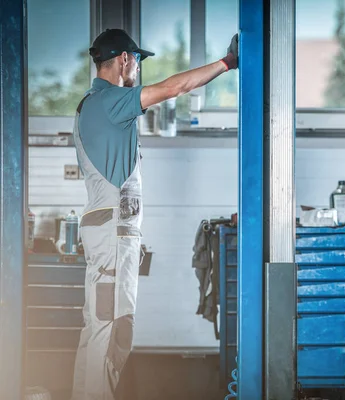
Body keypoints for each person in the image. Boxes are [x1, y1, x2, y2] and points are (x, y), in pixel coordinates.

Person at [70, 28, 238, 400]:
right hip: (113, 235)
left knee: (97, 330)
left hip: (107, 232)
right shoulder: (111, 101)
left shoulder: (91, 104)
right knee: (114, 331)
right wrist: (227, 63)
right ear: (125, 59)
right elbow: (174, 88)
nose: (139, 70)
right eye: (138, 61)